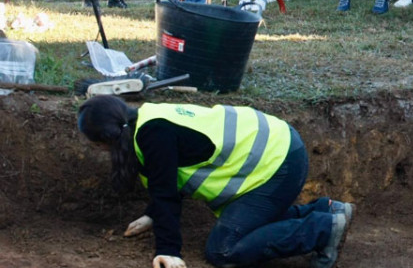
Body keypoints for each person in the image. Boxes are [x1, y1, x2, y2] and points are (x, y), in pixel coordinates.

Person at [77, 95, 352, 268]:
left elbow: (166, 194)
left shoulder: (153, 136)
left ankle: (323, 229)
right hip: (279, 147)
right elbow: (171, 176)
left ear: (105, 142)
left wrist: (168, 251)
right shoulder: (148, 119)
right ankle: (327, 210)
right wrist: (152, 215)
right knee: (248, 224)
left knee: (223, 250)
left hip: (277, 163)